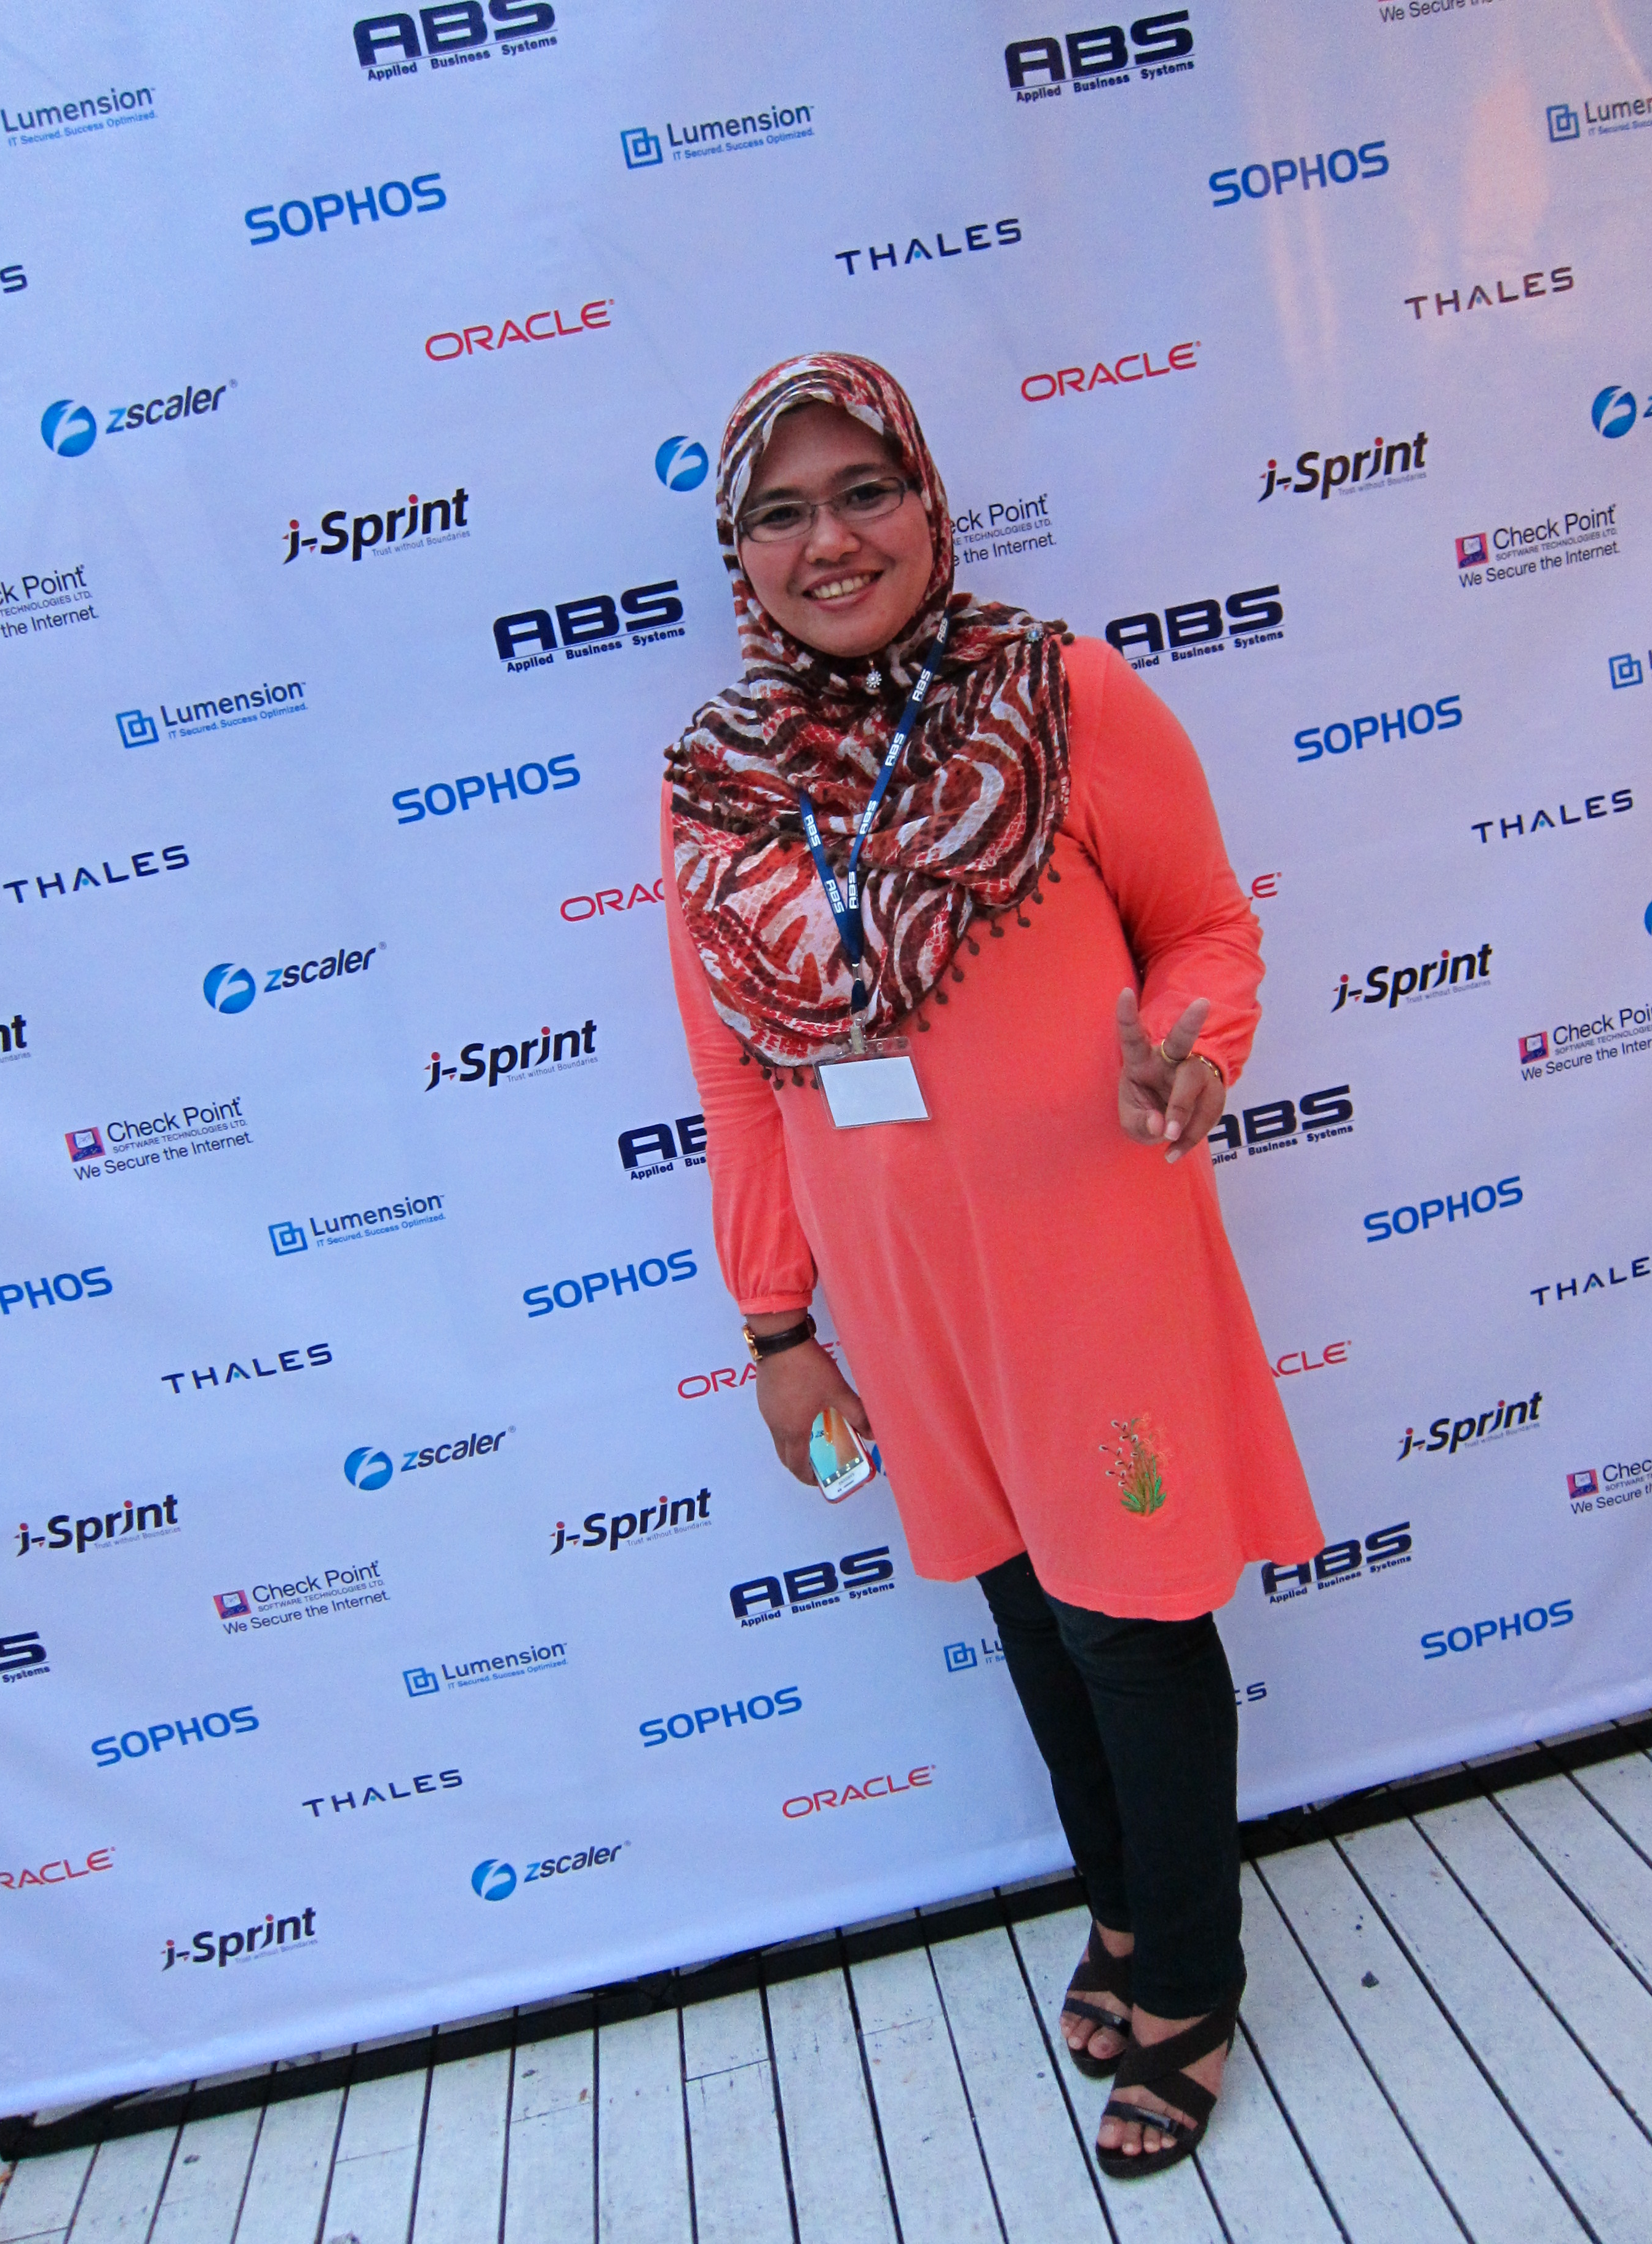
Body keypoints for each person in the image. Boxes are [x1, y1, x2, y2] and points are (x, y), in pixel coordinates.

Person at [661, 353, 1321, 2179]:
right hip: (905, 1295)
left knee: (1129, 1618)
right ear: (740, 552)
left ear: (930, 501)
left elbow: (1206, 931)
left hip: (1094, 1250)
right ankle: (1121, 1900)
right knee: (1028, 1605)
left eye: (864, 490)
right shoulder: (714, 782)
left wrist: (1196, 1049)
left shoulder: (1063, 692)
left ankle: (1189, 1979)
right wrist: (777, 1324)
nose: (830, 539)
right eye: (782, 511)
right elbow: (736, 1074)